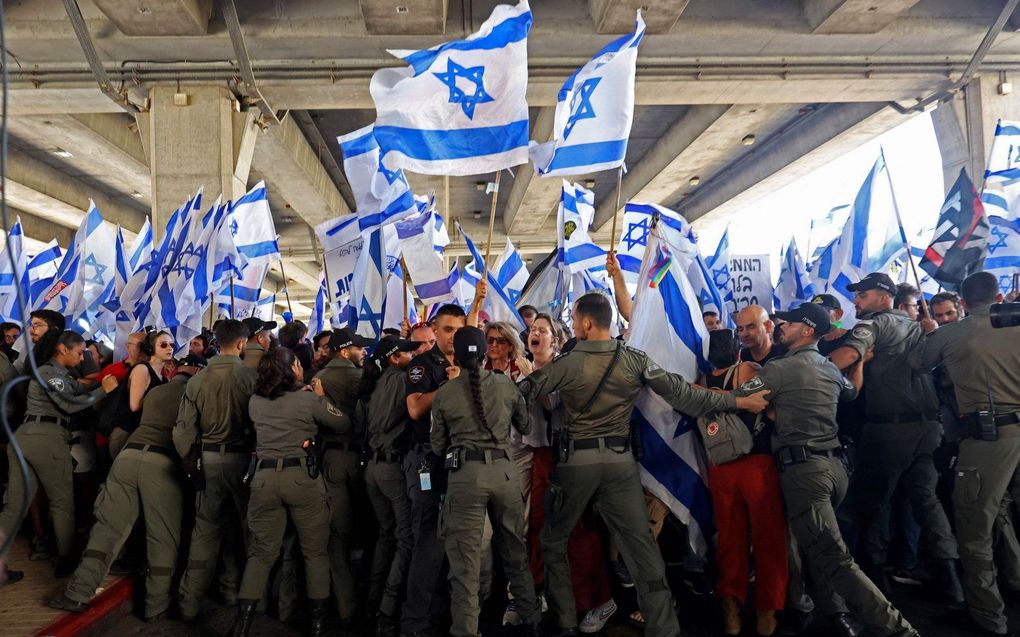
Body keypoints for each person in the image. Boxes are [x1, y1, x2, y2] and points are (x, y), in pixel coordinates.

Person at [517, 292, 768, 637]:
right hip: (621, 465)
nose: (574, 326)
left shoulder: (567, 363)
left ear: (587, 323)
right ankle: (663, 626)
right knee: (642, 548)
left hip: (576, 464)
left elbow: (521, 397)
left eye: (575, 321)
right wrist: (739, 399)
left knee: (555, 540)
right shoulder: (634, 360)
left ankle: (565, 622)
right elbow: (686, 395)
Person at [733, 302, 919, 637]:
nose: (779, 327)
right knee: (812, 544)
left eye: (784, 323)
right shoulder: (827, 367)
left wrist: (707, 394)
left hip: (805, 471)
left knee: (832, 555)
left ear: (806, 330)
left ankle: (897, 628)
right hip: (828, 468)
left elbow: (734, 400)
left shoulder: (779, 366)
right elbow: (851, 392)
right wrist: (859, 362)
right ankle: (819, 609)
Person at [828, 272, 963, 602]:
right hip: (929, 429)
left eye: (862, 295)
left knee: (871, 503)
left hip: (888, 430)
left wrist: (809, 370)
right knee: (927, 502)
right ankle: (952, 584)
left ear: (883, 297)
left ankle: (876, 582)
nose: (856, 302)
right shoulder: (919, 327)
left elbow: (843, 357)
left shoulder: (874, 324)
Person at [47, 355, 207, 620]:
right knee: (162, 537)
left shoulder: (157, 391)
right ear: (199, 371)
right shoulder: (196, 393)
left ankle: (77, 593)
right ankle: (156, 605)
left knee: (107, 530)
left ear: (177, 370)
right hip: (161, 464)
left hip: (128, 457)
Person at [911, 271, 1020, 636]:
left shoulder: (951, 333)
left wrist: (930, 333)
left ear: (962, 302)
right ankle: (1016, 581)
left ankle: (988, 617)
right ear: (999, 295)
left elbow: (917, 365)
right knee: (1004, 509)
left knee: (974, 529)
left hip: (989, 438)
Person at [230, 347, 348, 637]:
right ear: (294, 368)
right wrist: (320, 397)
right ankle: (317, 625)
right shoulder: (308, 400)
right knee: (314, 553)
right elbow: (343, 423)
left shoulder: (255, 401)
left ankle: (242, 625)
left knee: (260, 554)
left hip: (264, 479)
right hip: (301, 479)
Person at [431, 326, 540, 637]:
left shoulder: (445, 392)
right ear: (483, 353)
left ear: (456, 355)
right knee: (516, 554)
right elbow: (525, 424)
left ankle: (466, 629)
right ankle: (531, 621)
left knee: (465, 564)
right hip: (506, 474)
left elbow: (438, 446)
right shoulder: (506, 385)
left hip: (465, 478)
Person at [0, 330, 118, 577]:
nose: (82, 356)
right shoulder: (48, 373)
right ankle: (66, 560)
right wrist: (103, 391)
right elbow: (68, 403)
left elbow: (75, 387)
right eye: (79, 351)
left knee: (15, 506)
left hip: (25, 438)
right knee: (63, 501)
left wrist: (114, 373)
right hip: (46, 438)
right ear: (63, 349)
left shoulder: (57, 374)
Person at [172, 319, 258, 621]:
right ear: (241, 344)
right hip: (242, 462)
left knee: (205, 532)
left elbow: (182, 431)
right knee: (247, 531)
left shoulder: (197, 380)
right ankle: (241, 596)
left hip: (207, 460)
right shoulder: (250, 378)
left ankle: (189, 602)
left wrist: (191, 462)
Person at [703, 333, 787, 636]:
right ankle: (767, 612)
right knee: (769, 539)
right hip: (757, 463)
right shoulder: (751, 370)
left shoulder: (700, 380)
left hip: (720, 466)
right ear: (737, 351)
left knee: (729, 540)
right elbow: (773, 409)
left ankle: (730, 611)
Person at [402, 303, 466, 637]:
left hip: (458, 463)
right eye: (447, 330)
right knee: (427, 541)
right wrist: (448, 388)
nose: (453, 336)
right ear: (436, 331)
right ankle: (414, 623)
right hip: (427, 460)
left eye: (459, 329)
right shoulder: (421, 365)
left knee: (453, 544)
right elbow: (414, 409)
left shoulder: (469, 363)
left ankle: (440, 614)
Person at [361, 334, 421, 633]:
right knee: (406, 537)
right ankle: (387, 608)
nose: (414, 355)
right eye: (408, 352)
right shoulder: (400, 381)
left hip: (372, 467)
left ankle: (372, 600)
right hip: (391, 468)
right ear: (395, 358)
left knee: (386, 535)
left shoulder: (376, 382)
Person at [313, 327, 372, 625]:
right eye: (360, 349)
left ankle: (345, 605)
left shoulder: (319, 379)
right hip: (362, 459)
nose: (364, 353)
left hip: (332, 458)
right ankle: (365, 602)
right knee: (369, 530)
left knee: (338, 534)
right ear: (346, 351)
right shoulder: (362, 378)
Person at [108, 330, 172, 459]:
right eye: (164, 345)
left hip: (141, 434)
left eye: (172, 345)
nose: (170, 348)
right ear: (150, 348)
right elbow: (135, 406)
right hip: (127, 432)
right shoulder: (142, 369)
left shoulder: (163, 377)